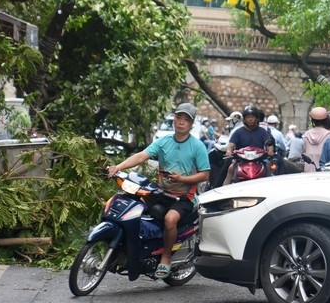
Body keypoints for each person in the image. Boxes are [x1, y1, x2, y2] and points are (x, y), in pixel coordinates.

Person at [106, 102, 209, 278]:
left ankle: (166, 257)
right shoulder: (163, 142)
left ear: (191, 124)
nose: (181, 122)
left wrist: (182, 179)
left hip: (184, 197)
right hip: (162, 192)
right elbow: (141, 156)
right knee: (129, 203)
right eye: (179, 118)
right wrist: (119, 166)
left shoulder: (197, 146)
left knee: (170, 220)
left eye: (186, 120)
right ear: (174, 119)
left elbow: (205, 174)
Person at [223, 104, 275, 184]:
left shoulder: (262, 131)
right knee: (231, 168)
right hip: (240, 160)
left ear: (257, 119)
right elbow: (231, 145)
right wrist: (229, 152)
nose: (250, 119)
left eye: (252, 117)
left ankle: (270, 187)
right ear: (244, 119)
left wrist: (270, 151)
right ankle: (225, 190)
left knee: (269, 166)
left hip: (259, 160)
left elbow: (269, 143)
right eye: (248, 117)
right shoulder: (238, 132)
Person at [301, 106, 330, 172]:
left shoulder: (306, 135)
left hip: (309, 170)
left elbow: (304, 151)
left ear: (312, 120)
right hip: (324, 170)